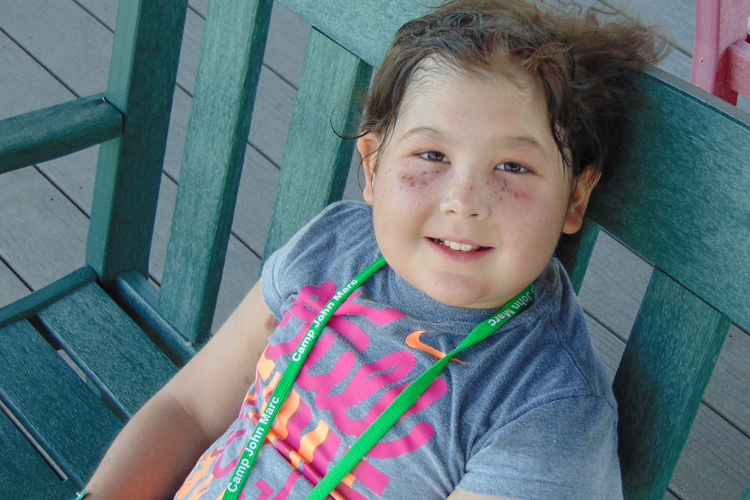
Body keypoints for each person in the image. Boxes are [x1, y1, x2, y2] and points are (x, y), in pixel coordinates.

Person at [82, 1, 664, 498]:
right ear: (373, 162)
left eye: (513, 166)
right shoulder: (333, 248)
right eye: (431, 155)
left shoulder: (547, 410)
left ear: (575, 199)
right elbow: (189, 410)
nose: (464, 201)